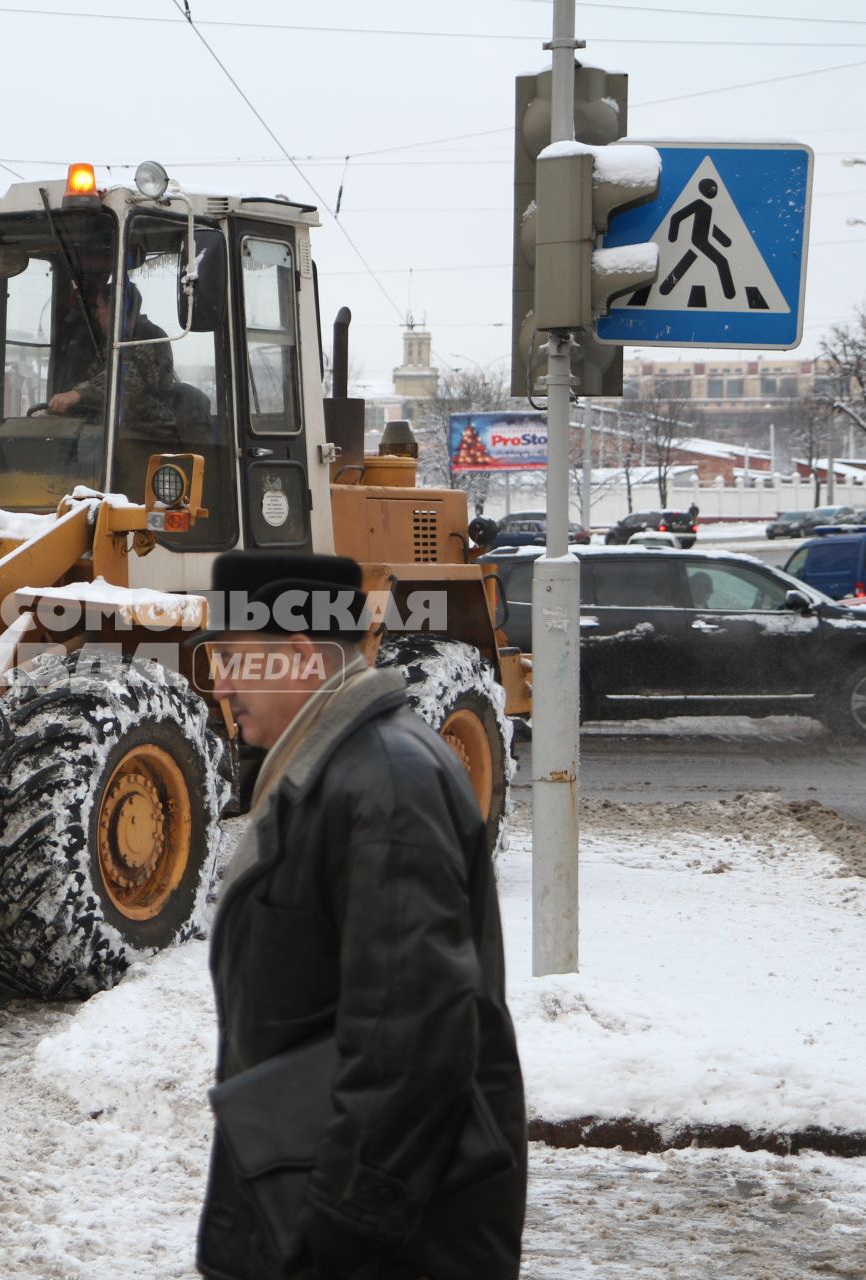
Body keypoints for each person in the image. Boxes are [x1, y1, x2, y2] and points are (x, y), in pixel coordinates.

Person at [196, 550, 526, 1280]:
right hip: (319, 1192)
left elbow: (414, 1038)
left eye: (231, 658)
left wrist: (341, 1227)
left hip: (380, 1236)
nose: (218, 684)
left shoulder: (384, 782)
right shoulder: (329, 769)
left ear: (302, 656)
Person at [47, 282, 178, 431]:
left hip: (149, 430)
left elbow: (127, 377)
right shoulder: (113, 341)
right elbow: (93, 374)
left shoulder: (151, 336)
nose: (96, 314)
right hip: (114, 426)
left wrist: (79, 393)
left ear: (115, 310)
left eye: (100, 307)